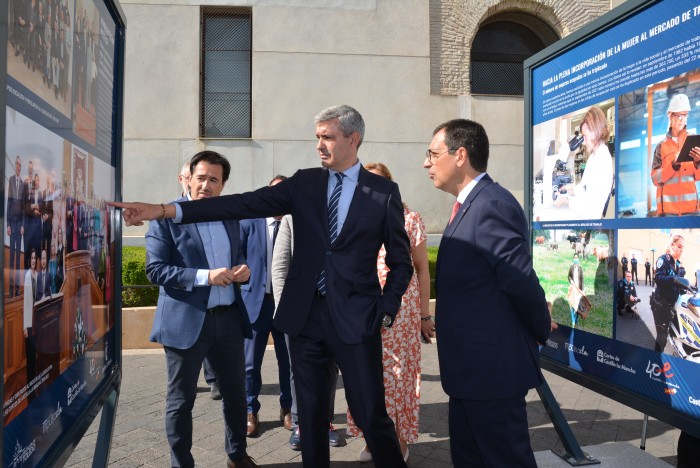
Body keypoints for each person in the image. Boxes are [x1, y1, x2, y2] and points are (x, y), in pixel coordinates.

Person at [110, 104, 413, 468]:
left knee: (371, 415)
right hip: (304, 320)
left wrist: (386, 309)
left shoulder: (383, 192)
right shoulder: (305, 183)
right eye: (316, 137)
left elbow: (401, 260)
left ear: (353, 138)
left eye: (327, 137)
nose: (319, 145)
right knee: (311, 419)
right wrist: (163, 210)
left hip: (358, 320)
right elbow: (240, 204)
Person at [423, 118, 553, 467]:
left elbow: (520, 282)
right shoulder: (469, 205)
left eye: (433, 155)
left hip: (491, 374)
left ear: (460, 155)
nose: (426, 163)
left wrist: (540, 329)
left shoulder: (491, 205)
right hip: (469, 373)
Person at [145, 150, 256, 468]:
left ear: (222, 185)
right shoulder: (165, 216)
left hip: (229, 319)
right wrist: (205, 277)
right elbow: (155, 271)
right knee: (181, 400)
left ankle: (237, 454)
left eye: (213, 179)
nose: (206, 184)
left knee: (236, 395)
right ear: (188, 178)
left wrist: (242, 270)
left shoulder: (230, 216)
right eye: (201, 177)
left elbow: (240, 255)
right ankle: (182, 463)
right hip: (186, 322)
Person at [347, 162, 433, 463]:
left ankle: (397, 439)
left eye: (379, 182)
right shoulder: (352, 219)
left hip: (401, 312)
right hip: (363, 309)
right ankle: (373, 439)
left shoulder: (409, 219)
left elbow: (422, 271)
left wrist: (424, 315)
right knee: (367, 374)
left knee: (398, 376)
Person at [270, 215, 343, 450]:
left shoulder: (345, 213)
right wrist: (284, 310)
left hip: (336, 309)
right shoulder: (293, 218)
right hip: (300, 310)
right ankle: (301, 425)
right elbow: (280, 265)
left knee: (330, 369)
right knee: (299, 369)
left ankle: (325, 423)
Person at [239, 176, 292, 437]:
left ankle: (289, 408)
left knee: (290, 362)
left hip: (287, 305)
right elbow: (235, 255)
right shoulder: (249, 222)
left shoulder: (297, 225)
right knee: (250, 364)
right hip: (255, 305)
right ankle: (250, 410)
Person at [554, 106, 614, 219]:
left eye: (584, 136)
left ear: (596, 131)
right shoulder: (594, 156)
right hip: (584, 209)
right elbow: (585, 186)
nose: (583, 142)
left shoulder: (602, 161)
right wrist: (570, 190)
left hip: (589, 217)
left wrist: (566, 201)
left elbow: (589, 208)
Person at [651, 93, 700, 216]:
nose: (683, 119)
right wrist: (672, 166)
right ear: (670, 115)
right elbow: (654, 179)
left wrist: (698, 163)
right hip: (668, 211)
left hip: (691, 210)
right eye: (679, 115)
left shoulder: (694, 141)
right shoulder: (661, 146)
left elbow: (697, 177)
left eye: (685, 114)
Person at [651, 234, 686, 353]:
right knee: (662, 338)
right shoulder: (663, 260)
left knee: (676, 333)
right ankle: (655, 364)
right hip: (660, 304)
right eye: (679, 246)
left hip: (672, 304)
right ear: (672, 245)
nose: (682, 250)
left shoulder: (678, 264)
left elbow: (680, 285)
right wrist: (673, 279)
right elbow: (658, 278)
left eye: (683, 248)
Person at [7, 155, 26, 298]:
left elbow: (24, 207)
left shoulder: (24, 185)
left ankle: (18, 289)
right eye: (17, 164)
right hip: (12, 224)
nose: (18, 166)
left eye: (20, 164)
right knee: (11, 257)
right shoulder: (11, 180)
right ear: (15, 165)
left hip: (19, 224)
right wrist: (8, 224)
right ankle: (11, 289)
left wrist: (23, 225)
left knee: (18, 258)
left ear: (21, 166)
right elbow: (8, 203)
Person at [23, 248, 38, 402]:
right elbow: (26, 303)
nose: (34, 260)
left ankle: (34, 387)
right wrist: (25, 326)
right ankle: (29, 393)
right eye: (32, 258)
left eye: (35, 258)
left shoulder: (38, 275)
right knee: (30, 359)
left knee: (35, 357)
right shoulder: (28, 276)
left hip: (36, 323)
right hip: (29, 324)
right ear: (29, 260)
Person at [567, 253, 585, 326]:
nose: (575, 259)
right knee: (572, 304)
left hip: (578, 289)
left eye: (577, 258)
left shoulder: (580, 268)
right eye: (574, 257)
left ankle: (576, 319)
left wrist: (583, 289)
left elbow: (582, 279)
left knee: (578, 304)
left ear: (578, 259)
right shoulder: (571, 267)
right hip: (573, 288)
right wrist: (571, 280)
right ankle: (573, 320)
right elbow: (569, 276)